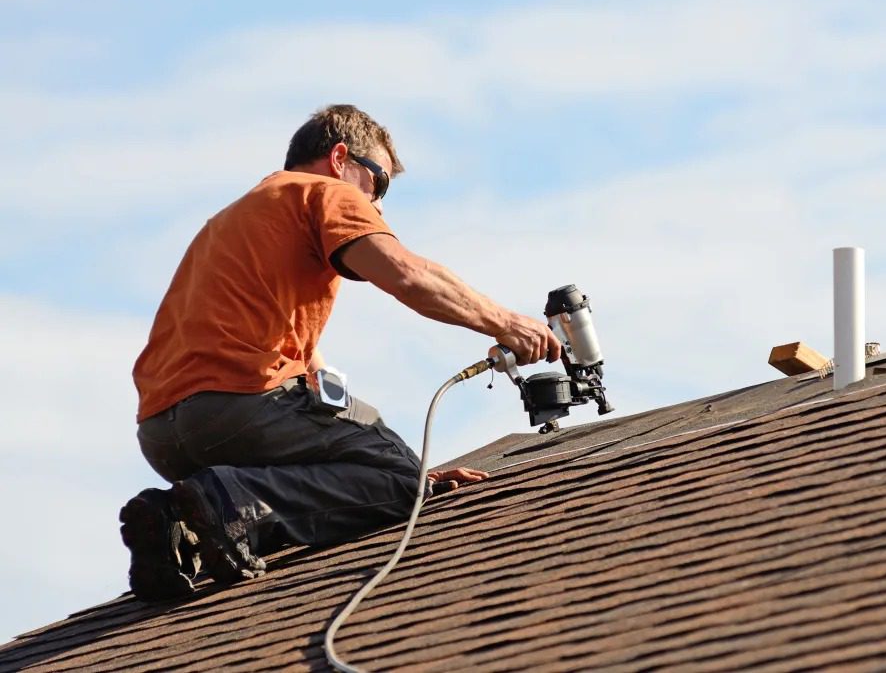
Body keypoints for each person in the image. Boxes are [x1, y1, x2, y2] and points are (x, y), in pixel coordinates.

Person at [121, 104, 561, 601]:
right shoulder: (324, 192)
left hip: (162, 433)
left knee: (383, 466)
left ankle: (180, 530)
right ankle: (230, 502)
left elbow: (310, 378)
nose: (378, 204)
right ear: (339, 158)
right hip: (239, 406)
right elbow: (407, 275)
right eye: (379, 184)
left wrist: (383, 464)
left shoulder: (233, 220)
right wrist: (507, 323)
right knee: (401, 482)